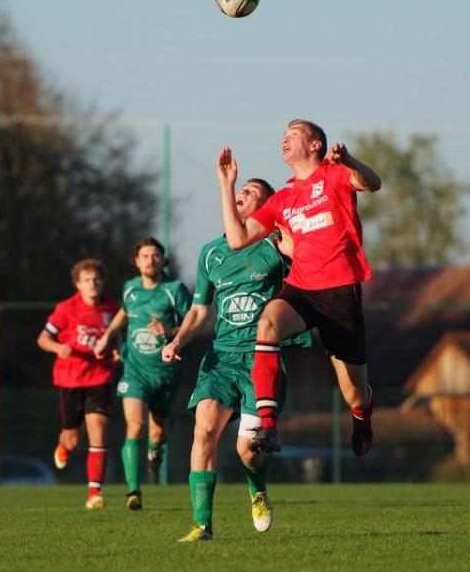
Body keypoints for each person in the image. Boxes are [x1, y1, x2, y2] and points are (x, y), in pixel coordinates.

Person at [215, 119, 382, 457]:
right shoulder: (284, 197)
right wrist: (226, 185)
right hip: (302, 288)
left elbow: (373, 183)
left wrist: (348, 160)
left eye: (293, 134)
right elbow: (237, 239)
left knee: (352, 393)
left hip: (340, 292)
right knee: (267, 323)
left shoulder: (334, 174)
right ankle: (268, 424)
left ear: (315, 145)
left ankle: (363, 414)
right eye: (284, 135)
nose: (284, 139)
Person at [162, 177, 303, 542]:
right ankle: (202, 525)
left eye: (252, 192)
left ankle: (257, 488)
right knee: (205, 429)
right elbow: (198, 311)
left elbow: (305, 255)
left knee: (248, 452)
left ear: (265, 207)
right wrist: (177, 340)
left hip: (261, 359)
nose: (243, 193)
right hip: (221, 358)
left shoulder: (274, 243)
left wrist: (285, 221)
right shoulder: (211, 252)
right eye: (242, 190)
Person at [94, 237, 191, 510]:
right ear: (136, 262)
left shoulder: (174, 290)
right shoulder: (130, 288)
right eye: (145, 256)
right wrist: (108, 337)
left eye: (155, 255)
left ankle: (155, 449)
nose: (151, 260)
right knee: (135, 425)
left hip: (166, 374)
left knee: (157, 434)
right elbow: (124, 314)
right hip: (135, 372)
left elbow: (193, 324)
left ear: (163, 260)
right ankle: (133, 491)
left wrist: (169, 331)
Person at [37, 258, 119, 510]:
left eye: (96, 279)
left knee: (98, 430)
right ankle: (64, 444)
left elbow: (116, 340)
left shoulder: (112, 308)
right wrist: (57, 347)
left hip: (100, 377)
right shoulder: (65, 309)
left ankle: (94, 492)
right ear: (78, 284)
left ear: (102, 282)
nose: (92, 283)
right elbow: (43, 339)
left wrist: (116, 353)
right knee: (73, 439)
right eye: (87, 280)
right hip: (70, 379)